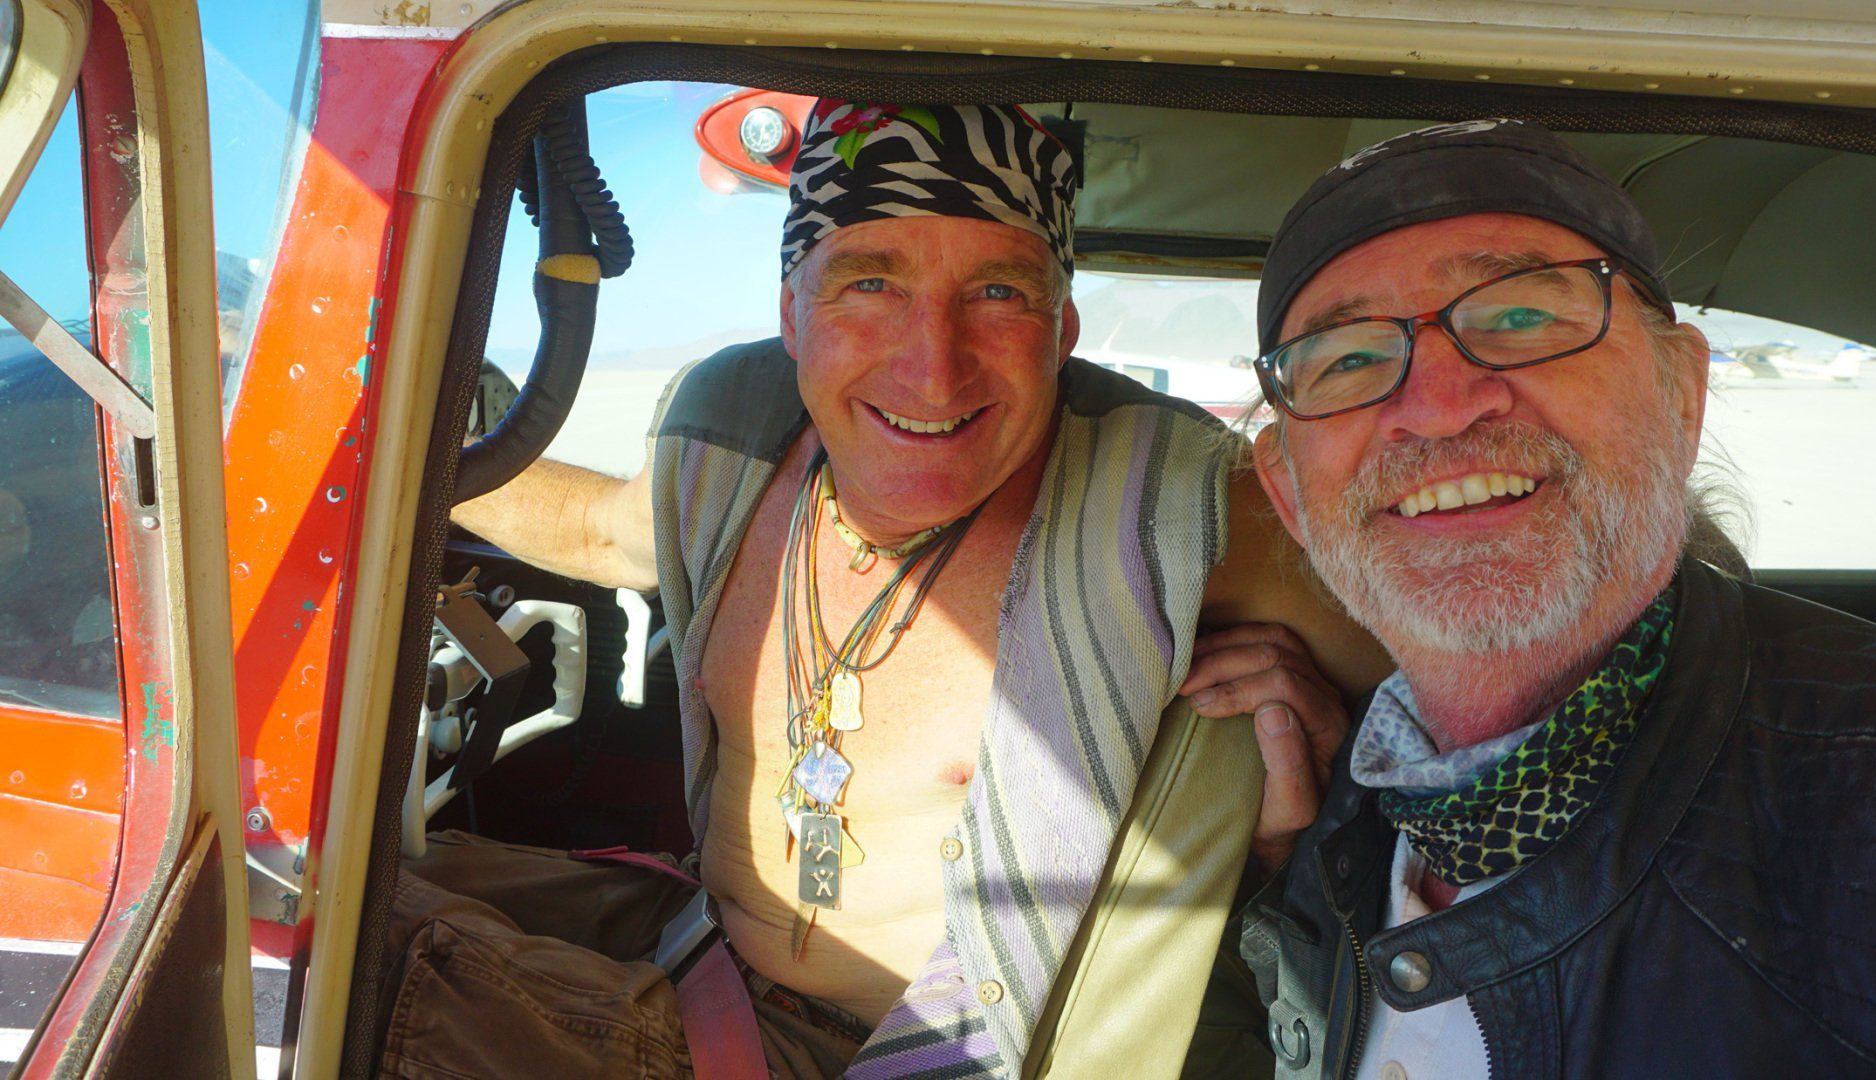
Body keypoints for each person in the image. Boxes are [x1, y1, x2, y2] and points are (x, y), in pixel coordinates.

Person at [394, 100, 1387, 1078]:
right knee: (346, 874)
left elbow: (1436, 685)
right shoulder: (730, 438)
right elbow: (601, 530)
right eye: (871, 284)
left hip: (905, 1052)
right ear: (792, 315)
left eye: (998, 293)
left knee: (378, 965)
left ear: (1061, 333)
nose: (933, 368)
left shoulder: (1176, 503)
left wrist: (1321, 807)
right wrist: (381, 446)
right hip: (700, 946)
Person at [1233, 118, 1876, 1078]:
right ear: (1287, 494)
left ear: (1682, 395)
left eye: (1520, 318)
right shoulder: (1331, 817)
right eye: (1346, 359)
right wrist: (1270, 872)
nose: (1438, 406)